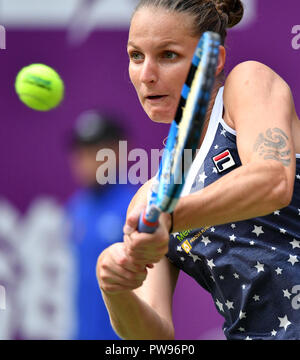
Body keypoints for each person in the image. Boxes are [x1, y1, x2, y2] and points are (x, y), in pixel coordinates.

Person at [96, 0, 300, 340]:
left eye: (168, 55)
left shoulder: (247, 84)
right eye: (136, 56)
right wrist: (115, 290)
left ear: (213, 59)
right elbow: (155, 338)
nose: (147, 74)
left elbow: (274, 179)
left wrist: (169, 217)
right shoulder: (149, 198)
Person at [67, 110, 137, 340]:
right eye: (81, 152)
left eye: (97, 152)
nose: (86, 160)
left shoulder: (136, 206)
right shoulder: (75, 208)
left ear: (118, 152)